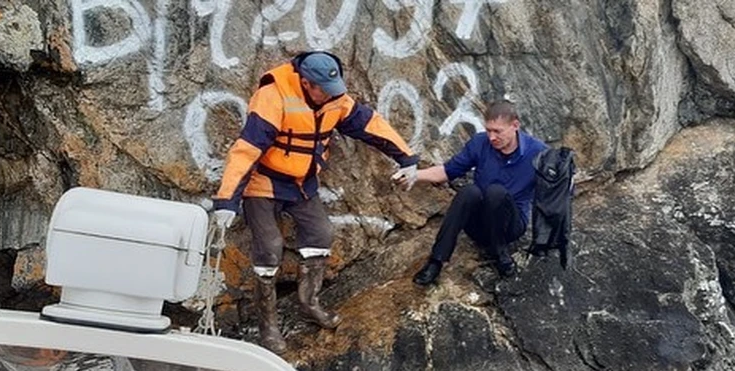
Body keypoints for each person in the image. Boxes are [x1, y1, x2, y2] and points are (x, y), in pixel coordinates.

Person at [211, 51, 418, 353]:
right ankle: (268, 327)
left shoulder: (334, 98)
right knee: (269, 248)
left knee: (321, 235)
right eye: (323, 90)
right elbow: (248, 148)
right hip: (264, 182)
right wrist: (227, 200)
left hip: (301, 184)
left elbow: (370, 124)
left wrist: (406, 158)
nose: (329, 96)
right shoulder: (275, 94)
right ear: (306, 83)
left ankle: (309, 303)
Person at [392, 101, 547, 285]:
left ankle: (500, 254)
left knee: (496, 192)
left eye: (498, 131)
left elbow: (557, 188)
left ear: (515, 126)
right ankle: (436, 261)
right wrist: (414, 175)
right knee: (469, 192)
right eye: (488, 130)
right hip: (480, 226)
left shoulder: (537, 151)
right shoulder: (480, 143)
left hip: (509, 227)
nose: (492, 137)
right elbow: (448, 171)